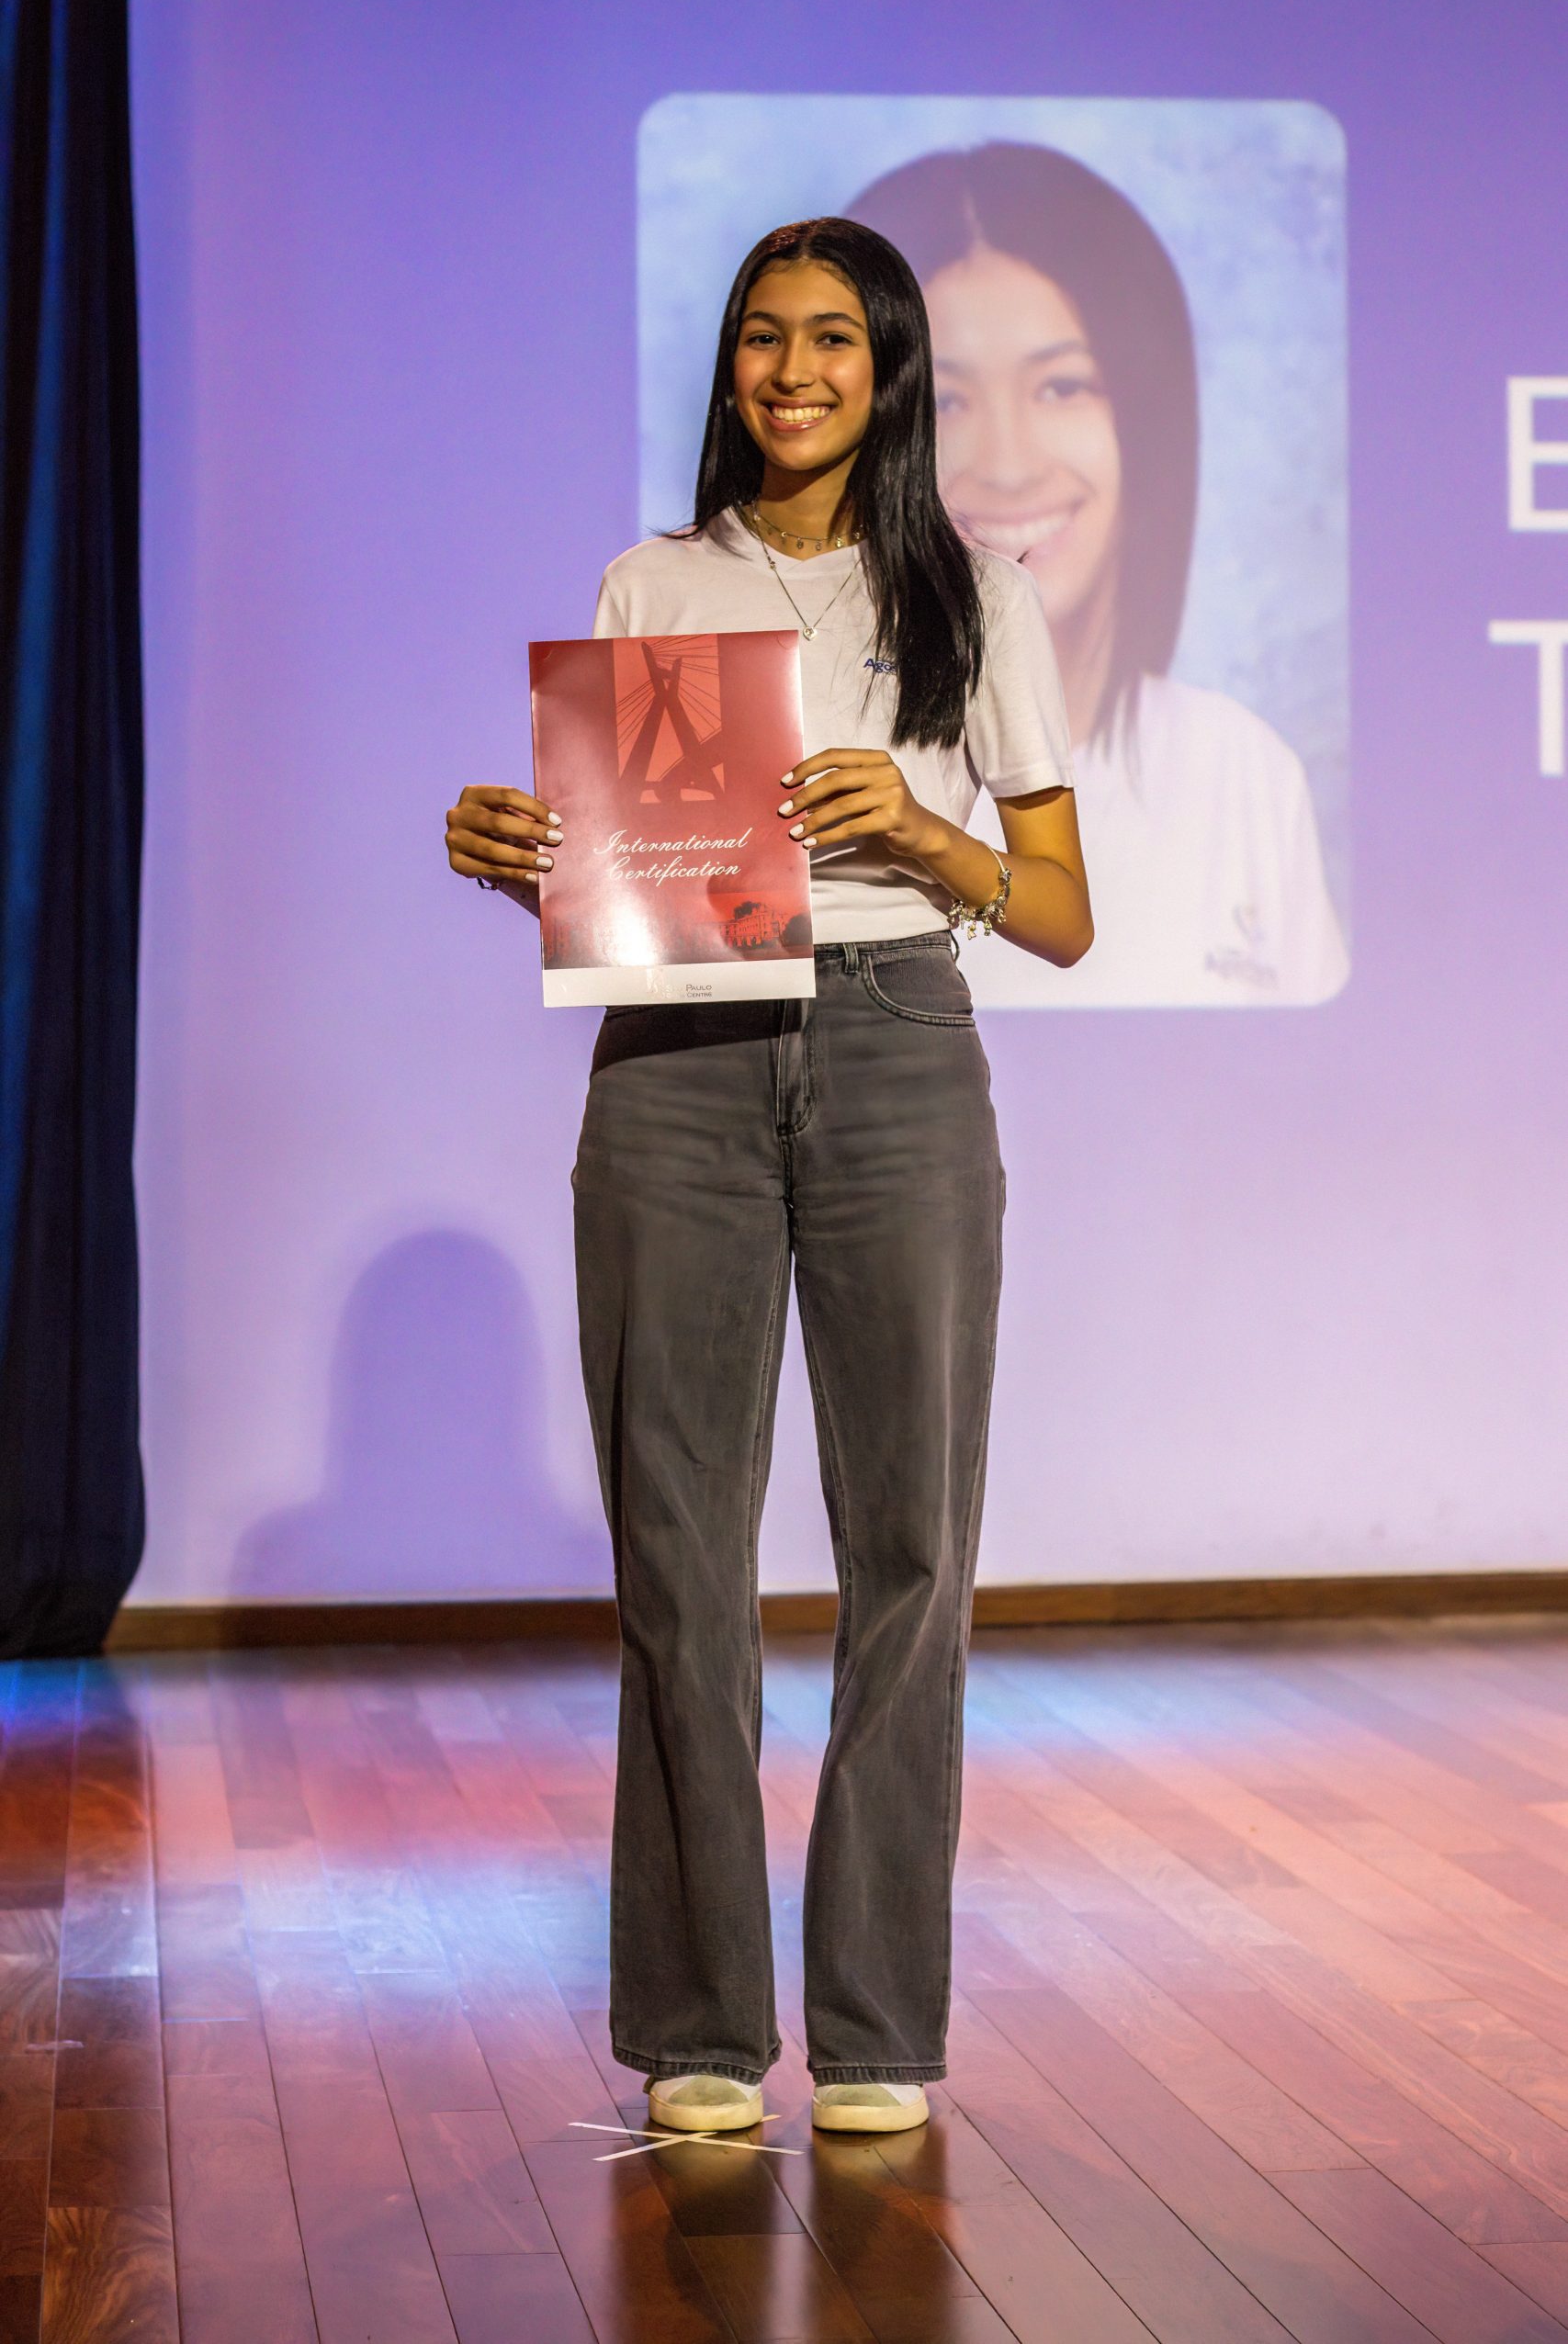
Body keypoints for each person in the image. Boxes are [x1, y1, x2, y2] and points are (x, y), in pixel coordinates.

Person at [444, 218, 1089, 2136]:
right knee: (676, 1552)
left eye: (829, 340)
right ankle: (700, 2025)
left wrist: (925, 831)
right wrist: (523, 857)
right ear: (727, 366)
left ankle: (877, 2030)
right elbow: (640, 878)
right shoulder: (651, 583)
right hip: (679, 1067)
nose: (790, 371)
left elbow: (1059, 910)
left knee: (910, 1552)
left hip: (899, 1047)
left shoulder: (974, 595)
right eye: (758, 337)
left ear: (887, 370)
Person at [849, 142, 1349, 1006]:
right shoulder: (813, 753)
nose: (1007, 466)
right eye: (946, 402)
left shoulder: (1239, 773)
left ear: (1144, 426)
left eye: (1060, 388)